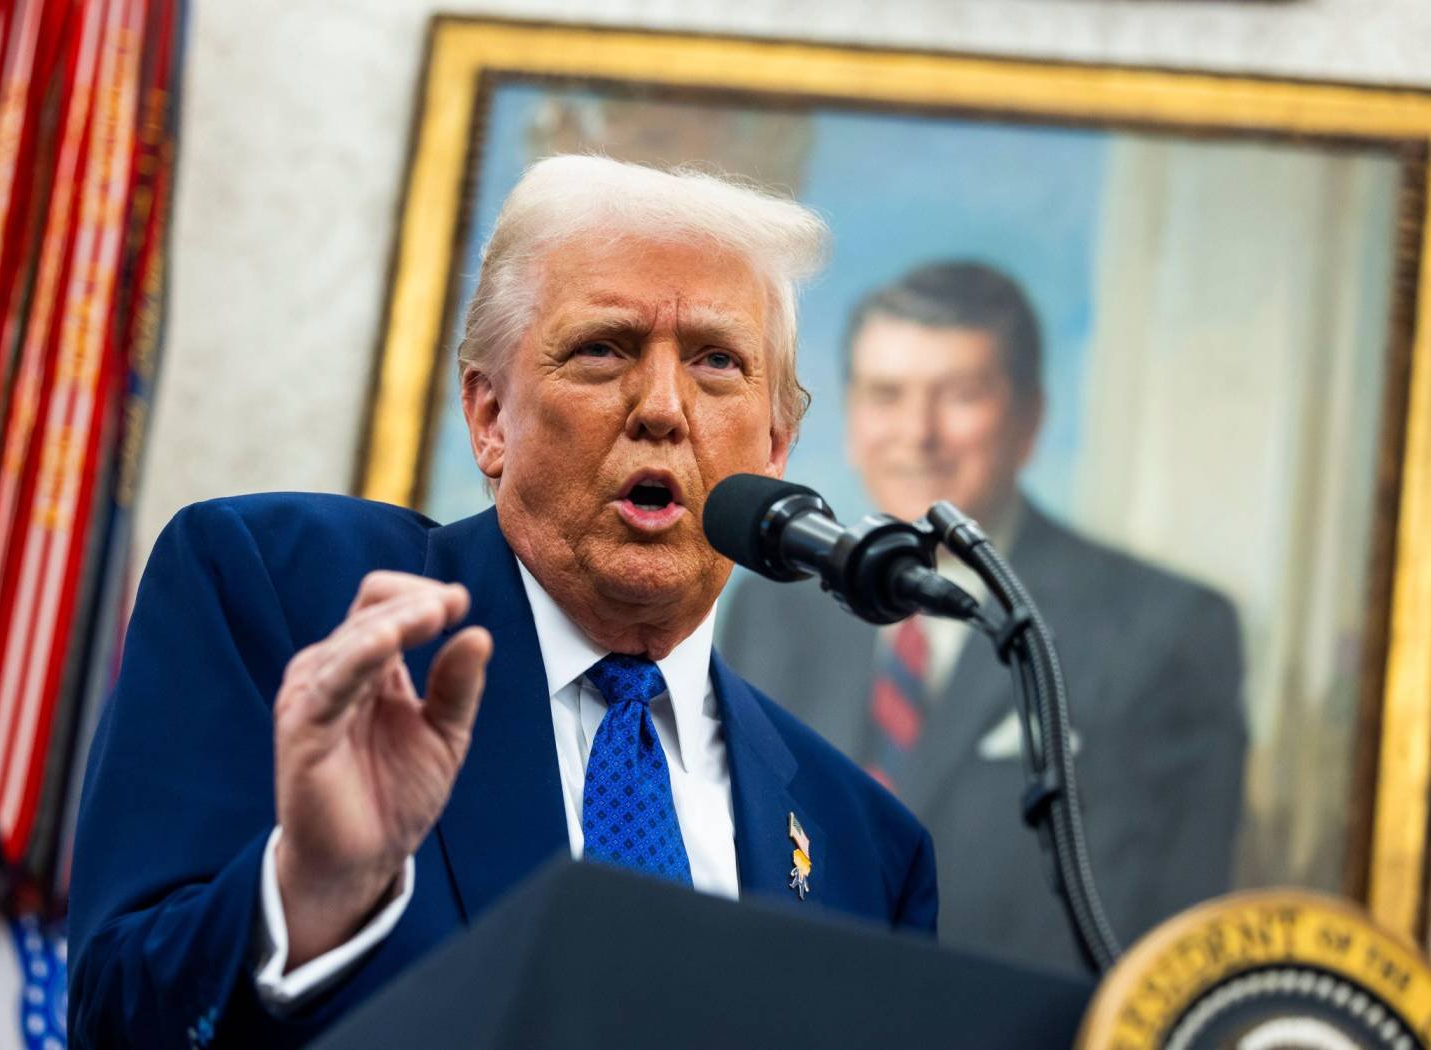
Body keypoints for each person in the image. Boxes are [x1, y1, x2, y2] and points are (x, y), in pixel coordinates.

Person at [66, 156, 939, 1048]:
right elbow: (116, 1017)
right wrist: (307, 890)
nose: (663, 408)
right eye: (603, 349)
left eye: (717, 361)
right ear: (490, 417)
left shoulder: (864, 847)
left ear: (775, 448)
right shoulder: (281, 594)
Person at [720, 261, 1247, 973]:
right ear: (850, 418)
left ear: (1029, 419)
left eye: (961, 395)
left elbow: (1163, 932)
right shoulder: (775, 607)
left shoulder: (1165, 630)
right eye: (886, 395)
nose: (918, 433)